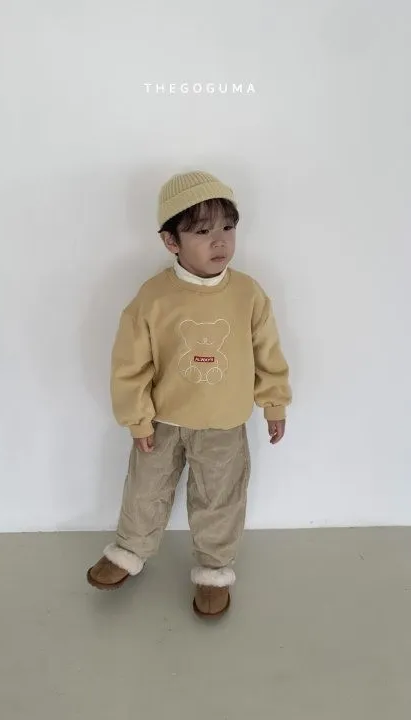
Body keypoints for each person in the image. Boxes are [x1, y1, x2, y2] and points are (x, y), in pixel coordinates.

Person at [86, 170, 292, 618]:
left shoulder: (248, 294)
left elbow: (268, 352)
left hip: (224, 424)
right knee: (145, 490)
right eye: (202, 231)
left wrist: (274, 403)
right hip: (163, 420)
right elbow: (130, 363)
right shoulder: (154, 297)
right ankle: (129, 550)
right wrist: (137, 418)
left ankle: (214, 571)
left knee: (219, 499)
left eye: (228, 228)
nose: (220, 242)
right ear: (171, 241)